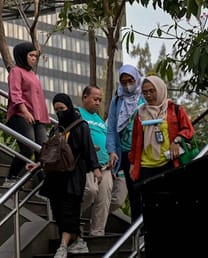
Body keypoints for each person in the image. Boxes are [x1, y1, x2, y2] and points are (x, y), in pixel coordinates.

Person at [36, 93, 101, 258]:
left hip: (74, 175)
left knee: (69, 210)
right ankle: (78, 241)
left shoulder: (81, 126)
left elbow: (88, 148)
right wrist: (38, 164)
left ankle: (63, 246)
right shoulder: (56, 129)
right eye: (56, 109)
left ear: (69, 107)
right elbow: (49, 153)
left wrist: (96, 168)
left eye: (62, 108)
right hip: (56, 177)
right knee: (58, 211)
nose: (59, 112)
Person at [128, 75, 195, 220]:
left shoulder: (174, 109)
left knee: (170, 202)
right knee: (148, 204)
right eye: (145, 92)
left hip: (168, 163)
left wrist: (177, 140)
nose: (148, 95)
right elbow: (135, 140)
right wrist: (133, 163)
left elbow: (188, 130)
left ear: (160, 89)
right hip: (146, 166)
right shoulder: (140, 113)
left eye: (152, 91)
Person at [3, 41, 51, 187]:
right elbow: (15, 93)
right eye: (31, 55)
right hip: (20, 115)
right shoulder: (16, 71)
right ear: (22, 55)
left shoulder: (32, 74)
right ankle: (11, 177)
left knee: (42, 151)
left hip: (37, 117)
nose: (34, 58)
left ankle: (42, 184)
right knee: (28, 147)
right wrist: (25, 111)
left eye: (35, 56)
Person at [105, 64, 145, 220]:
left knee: (147, 191)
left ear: (136, 78)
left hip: (144, 152)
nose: (128, 85)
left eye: (131, 80)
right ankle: (137, 229)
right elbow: (111, 129)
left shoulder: (144, 96)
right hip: (126, 153)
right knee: (134, 193)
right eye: (124, 82)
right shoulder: (117, 101)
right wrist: (112, 151)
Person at [78, 85, 112, 236]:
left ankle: (97, 232)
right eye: (95, 99)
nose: (98, 102)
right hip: (87, 164)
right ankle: (69, 216)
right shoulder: (77, 113)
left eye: (100, 100)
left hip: (105, 165)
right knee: (90, 191)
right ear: (85, 97)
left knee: (104, 200)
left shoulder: (99, 119)